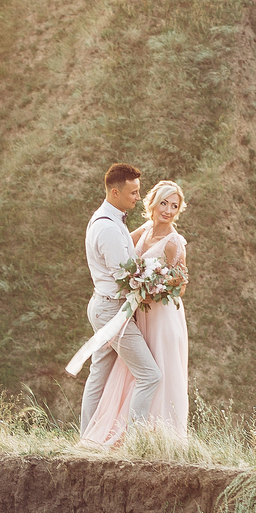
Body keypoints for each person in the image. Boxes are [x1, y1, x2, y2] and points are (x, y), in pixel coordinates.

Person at [80, 180, 190, 445]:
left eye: (174, 206)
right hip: (140, 315)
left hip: (162, 316)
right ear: (152, 203)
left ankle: (158, 437)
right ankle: (122, 432)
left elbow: (183, 286)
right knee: (135, 372)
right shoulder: (145, 229)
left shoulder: (175, 243)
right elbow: (123, 255)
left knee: (159, 371)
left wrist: (155, 287)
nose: (168, 210)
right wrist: (136, 280)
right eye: (164, 203)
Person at [79, 163, 162, 441]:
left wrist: (149, 229)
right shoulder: (108, 229)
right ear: (115, 192)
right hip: (113, 311)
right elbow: (127, 276)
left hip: (104, 306)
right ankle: (135, 440)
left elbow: (125, 244)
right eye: (133, 193)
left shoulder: (110, 219)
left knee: (99, 376)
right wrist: (159, 280)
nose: (138, 198)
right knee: (150, 375)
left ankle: (87, 439)